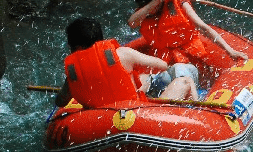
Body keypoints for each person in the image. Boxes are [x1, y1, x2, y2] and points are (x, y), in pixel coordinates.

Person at [54, 17, 196, 108]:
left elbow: (60, 102)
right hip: (137, 114)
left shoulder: (73, 73)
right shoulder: (122, 54)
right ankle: (199, 112)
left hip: (99, 123)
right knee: (185, 81)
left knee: (142, 79)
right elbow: (162, 65)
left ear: (77, 47)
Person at [128, 0, 246, 77]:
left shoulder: (177, 1)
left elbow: (203, 27)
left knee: (179, 70)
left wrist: (230, 51)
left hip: (189, 57)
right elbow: (131, 23)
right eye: (145, 6)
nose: (149, 9)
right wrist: (154, 3)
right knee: (151, 77)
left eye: (151, 4)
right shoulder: (143, 12)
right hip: (164, 61)